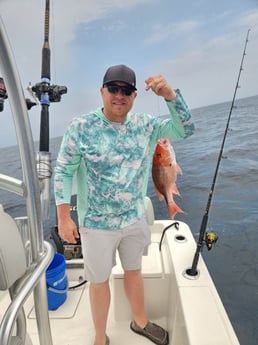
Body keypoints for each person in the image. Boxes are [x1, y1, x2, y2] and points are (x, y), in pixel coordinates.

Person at [54, 64, 194, 345]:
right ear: (102, 91)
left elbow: (185, 129)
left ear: (134, 96)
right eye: (114, 89)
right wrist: (64, 218)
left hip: (133, 219)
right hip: (96, 224)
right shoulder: (81, 127)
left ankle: (139, 320)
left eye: (126, 90)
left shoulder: (146, 126)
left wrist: (169, 95)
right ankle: (98, 337)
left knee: (134, 271)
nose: (120, 95)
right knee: (98, 281)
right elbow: (63, 171)